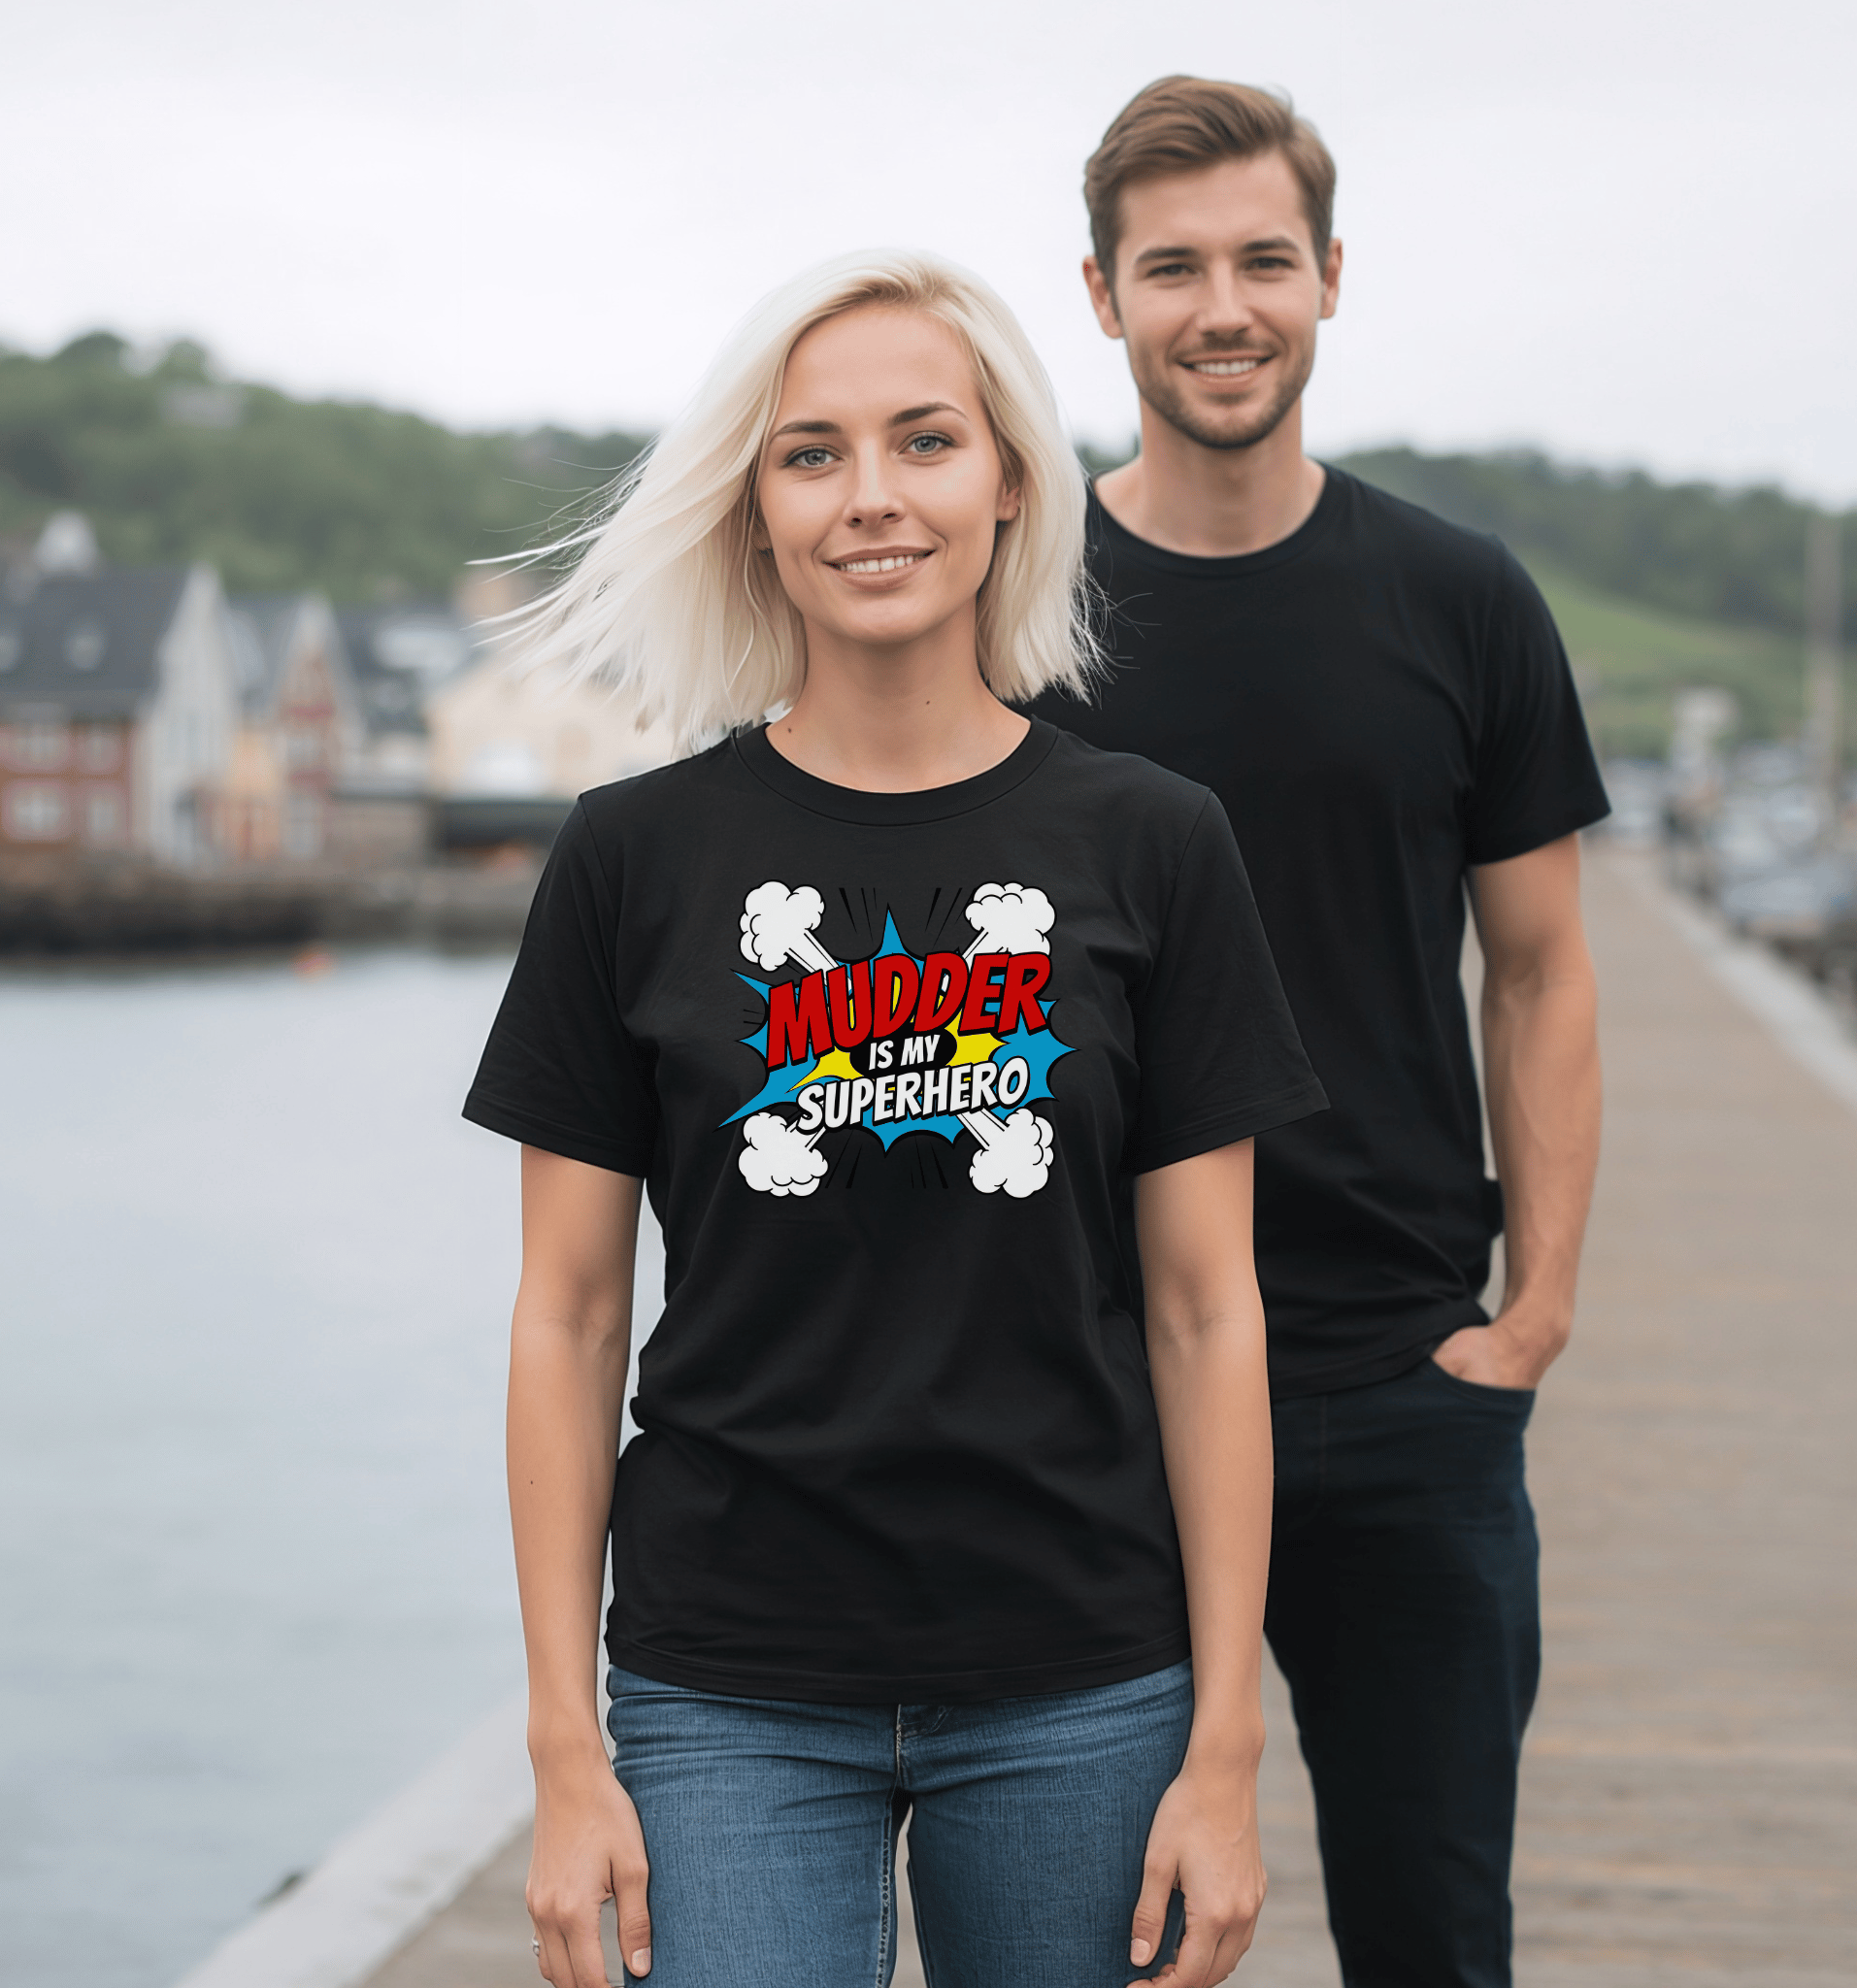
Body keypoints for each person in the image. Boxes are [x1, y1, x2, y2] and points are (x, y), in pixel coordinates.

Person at [462, 248, 1328, 1988]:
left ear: (1010, 481)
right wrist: (567, 1746)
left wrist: (1226, 1745)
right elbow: (565, 1316)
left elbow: (1207, 1308)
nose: (872, 499)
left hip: (1081, 1670)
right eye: (812, 453)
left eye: (925, 441)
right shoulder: (631, 858)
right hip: (727, 1685)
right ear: (754, 510)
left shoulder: (1154, 844)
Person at [1036, 77, 1608, 1988]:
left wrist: (1528, 1319)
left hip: (1392, 1375)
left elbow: (1536, 968)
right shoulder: (1011, 616)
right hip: (1082, 1389)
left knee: (1431, 1938)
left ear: (1331, 280)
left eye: (1262, 260)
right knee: (1089, 1942)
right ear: (1103, 296)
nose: (1223, 305)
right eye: (1173, 265)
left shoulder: (1458, 601)